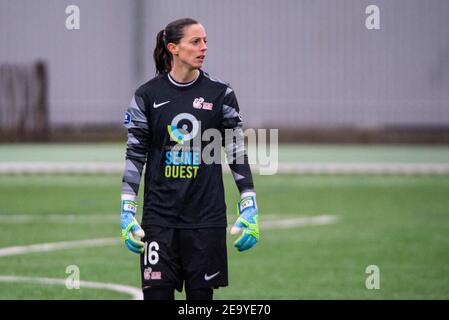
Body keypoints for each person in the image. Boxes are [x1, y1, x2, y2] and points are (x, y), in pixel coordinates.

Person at [120, 17, 259, 300]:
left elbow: (236, 151)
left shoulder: (221, 94)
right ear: (173, 47)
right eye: (196, 41)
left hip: (206, 220)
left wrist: (249, 201)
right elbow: (135, 155)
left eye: (205, 41)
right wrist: (126, 208)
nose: (204, 47)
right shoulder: (146, 96)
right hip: (159, 221)